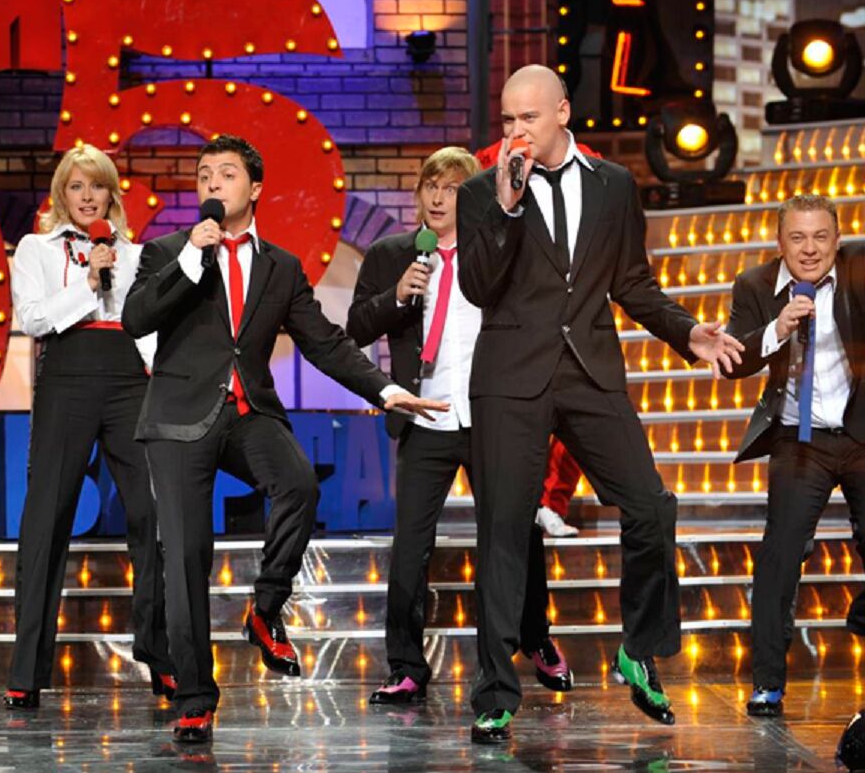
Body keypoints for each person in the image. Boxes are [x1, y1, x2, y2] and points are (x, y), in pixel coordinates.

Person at [123, 134, 446, 743]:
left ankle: (265, 608)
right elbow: (137, 317)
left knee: (298, 482)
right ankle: (195, 696)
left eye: (226, 173)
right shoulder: (167, 252)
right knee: (186, 556)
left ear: (255, 188)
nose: (212, 182)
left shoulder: (281, 266)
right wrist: (191, 258)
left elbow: (325, 343)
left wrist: (384, 389)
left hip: (249, 412)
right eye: (204, 174)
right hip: (178, 418)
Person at [456, 64, 743, 743]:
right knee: (503, 531)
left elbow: (632, 283)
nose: (516, 131)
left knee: (650, 504)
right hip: (509, 377)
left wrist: (686, 332)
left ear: (562, 112)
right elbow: (477, 286)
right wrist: (506, 206)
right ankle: (495, 692)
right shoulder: (481, 190)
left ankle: (638, 649)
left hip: (589, 372)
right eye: (507, 120)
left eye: (528, 118)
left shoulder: (614, 185)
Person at [347, 146, 574, 705]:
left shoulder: (495, 253)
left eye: (451, 188)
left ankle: (534, 636)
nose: (437, 197)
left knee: (516, 531)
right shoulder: (391, 255)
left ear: (472, 198)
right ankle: (406, 664)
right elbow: (355, 327)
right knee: (410, 547)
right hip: (425, 415)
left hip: (491, 414)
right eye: (430, 186)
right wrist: (396, 296)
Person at [4, 144, 173, 710]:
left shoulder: (138, 254)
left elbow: (147, 325)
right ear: (62, 193)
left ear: (110, 195)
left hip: (128, 380)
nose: (86, 196)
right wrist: (88, 281)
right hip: (67, 375)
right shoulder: (36, 248)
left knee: (151, 512)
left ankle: (160, 656)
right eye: (76, 186)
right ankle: (27, 670)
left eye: (96, 186)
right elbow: (33, 318)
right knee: (46, 517)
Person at [719, 194, 865, 718]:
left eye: (821, 237)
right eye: (798, 238)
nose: (809, 249)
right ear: (780, 243)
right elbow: (733, 362)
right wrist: (776, 330)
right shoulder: (755, 285)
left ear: (837, 240)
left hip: (860, 432)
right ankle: (767, 683)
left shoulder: (858, 271)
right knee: (778, 558)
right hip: (797, 439)